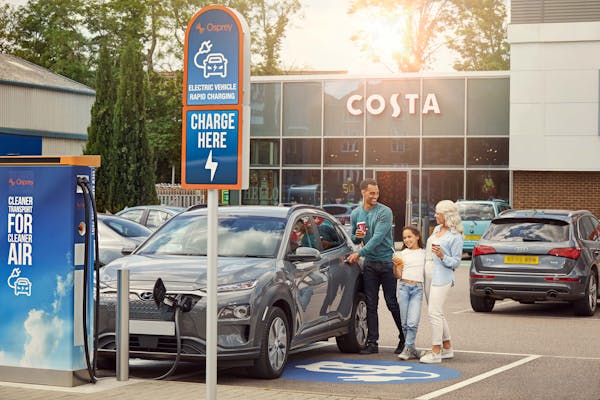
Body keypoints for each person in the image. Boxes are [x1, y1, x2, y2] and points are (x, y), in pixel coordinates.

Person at [346, 178, 405, 355]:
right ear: (363, 192)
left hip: (387, 262)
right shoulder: (356, 214)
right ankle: (373, 342)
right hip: (370, 265)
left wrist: (359, 253)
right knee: (371, 304)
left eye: (377, 193)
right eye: (372, 193)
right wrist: (356, 237)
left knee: (392, 302)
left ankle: (404, 338)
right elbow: (355, 239)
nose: (375, 196)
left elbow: (378, 237)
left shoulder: (385, 212)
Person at [420, 200, 464, 364]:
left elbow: (456, 263)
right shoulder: (437, 229)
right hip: (428, 273)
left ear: (447, 215)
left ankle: (436, 351)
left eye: (438, 213)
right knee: (437, 312)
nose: (435, 215)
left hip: (442, 277)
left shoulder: (455, 236)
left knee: (434, 313)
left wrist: (442, 256)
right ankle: (447, 348)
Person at [395, 226, 426, 361]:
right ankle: (411, 348)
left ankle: (408, 349)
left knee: (413, 322)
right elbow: (398, 275)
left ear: (417, 236)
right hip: (403, 288)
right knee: (405, 323)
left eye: (410, 237)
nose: (407, 240)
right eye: (404, 238)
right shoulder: (401, 254)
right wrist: (396, 265)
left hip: (417, 289)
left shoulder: (424, 253)